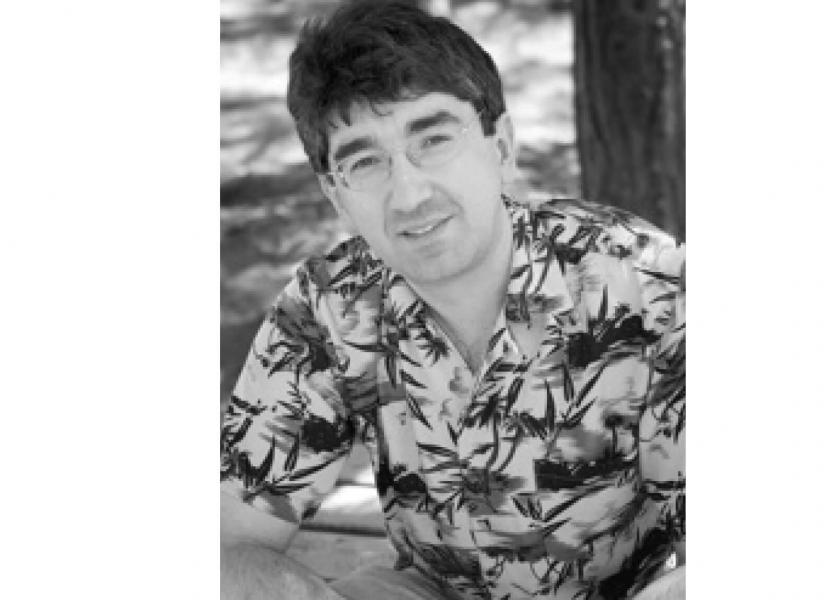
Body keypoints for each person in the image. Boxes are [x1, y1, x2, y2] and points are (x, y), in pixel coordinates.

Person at [220, 1, 685, 598]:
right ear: (336, 196)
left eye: (434, 139)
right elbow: (228, 541)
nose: (410, 193)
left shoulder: (650, 288)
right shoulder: (326, 310)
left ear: (502, 147)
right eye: (365, 161)